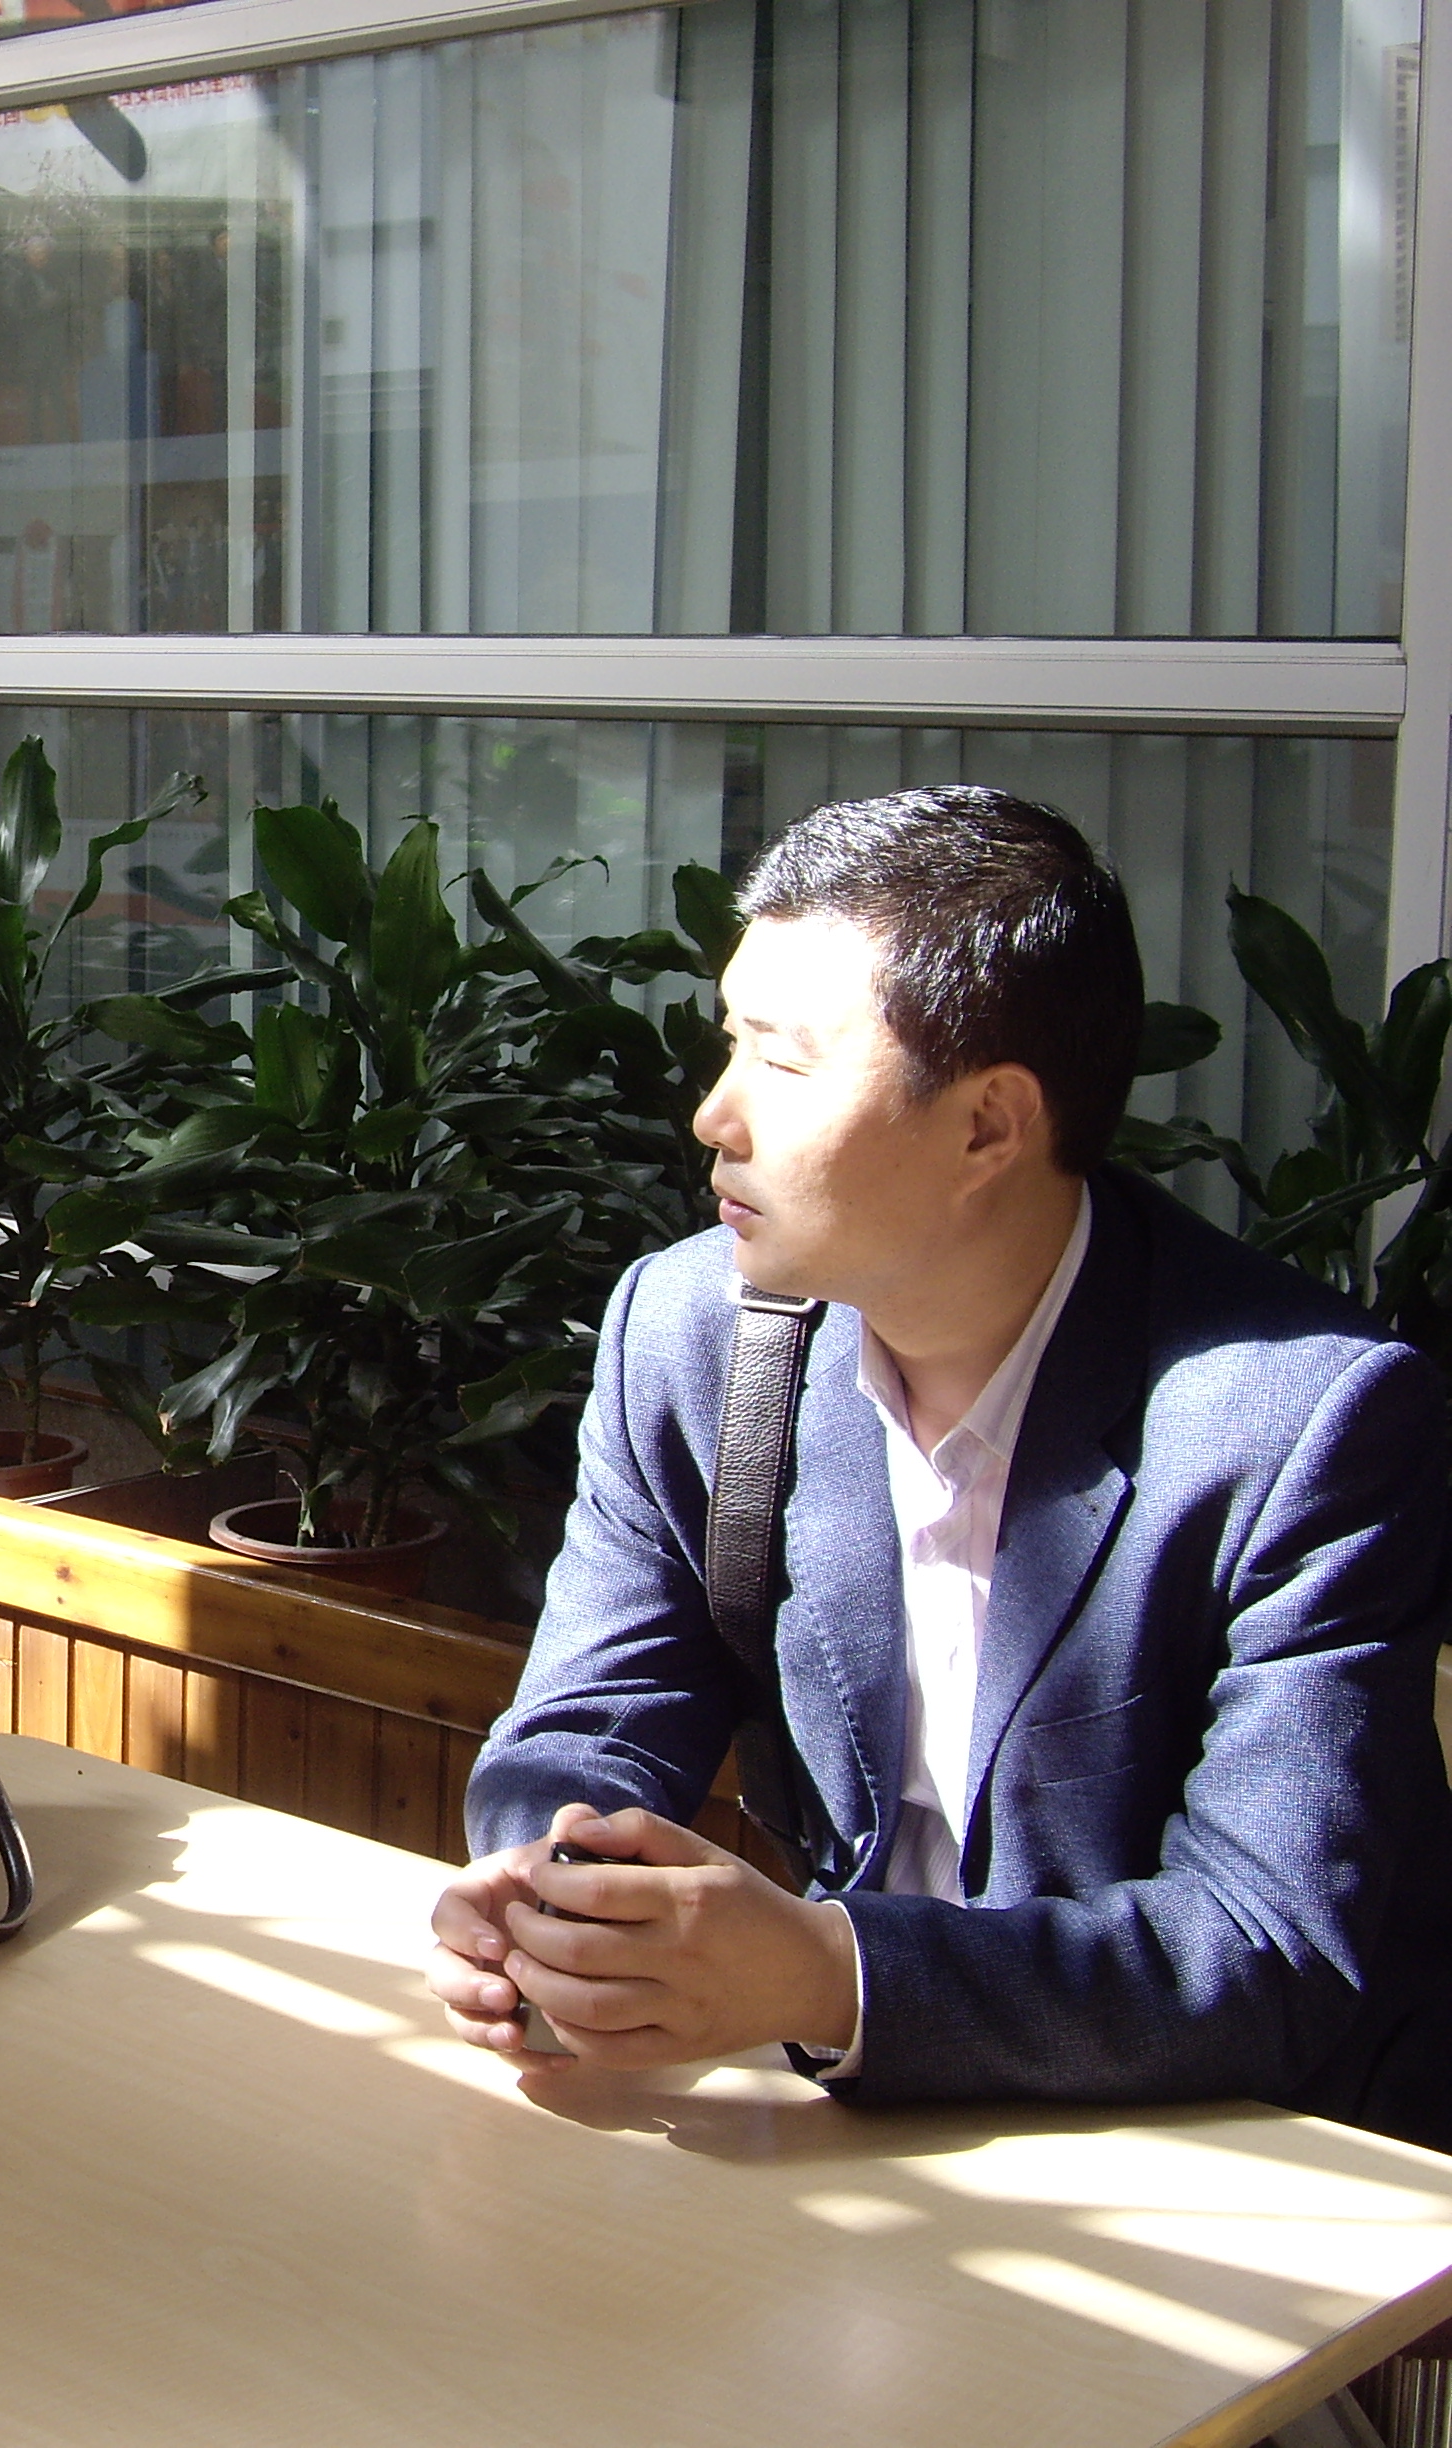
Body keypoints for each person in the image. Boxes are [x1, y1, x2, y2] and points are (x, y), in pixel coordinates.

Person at [428, 786, 1452, 2143]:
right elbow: (593, 1713)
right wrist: (552, 1889)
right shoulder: (694, 1335)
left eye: (783, 1064)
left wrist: (830, 1974)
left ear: (988, 1126)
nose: (716, 1116)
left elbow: (1271, 1944)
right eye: (731, 1042)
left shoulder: (1300, 1421)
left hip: (1233, 2156)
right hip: (856, 2127)